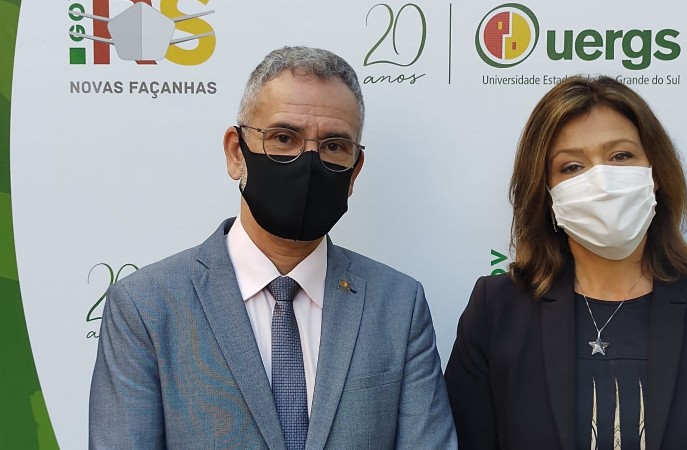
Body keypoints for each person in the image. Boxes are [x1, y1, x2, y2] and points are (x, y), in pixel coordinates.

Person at [89, 46, 456, 449]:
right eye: (283, 138)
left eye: (334, 145)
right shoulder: (146, 305)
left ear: (354, 172)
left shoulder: (399, 304)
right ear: (236, 152)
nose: (309, 162)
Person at [444, 76, 687, 449]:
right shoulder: (498, 310)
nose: (603, 182)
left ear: (655, 173)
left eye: (621, 156)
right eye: (571, 167)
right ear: (546, 194)